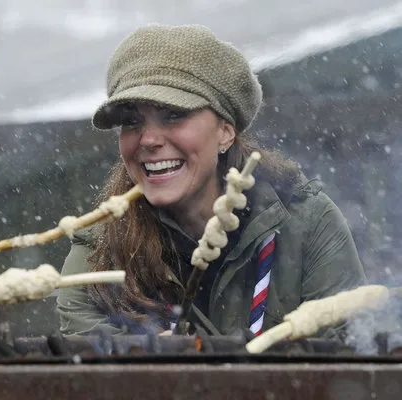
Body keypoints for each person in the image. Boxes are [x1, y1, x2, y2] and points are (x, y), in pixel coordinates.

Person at [57, 24, 367, 338]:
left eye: (173, 115)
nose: (148, 139)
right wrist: (151, 356)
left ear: (225, 130)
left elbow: (346, 363)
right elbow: (88, 370)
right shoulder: (100, 246)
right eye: (131, 121)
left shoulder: (306, 224)